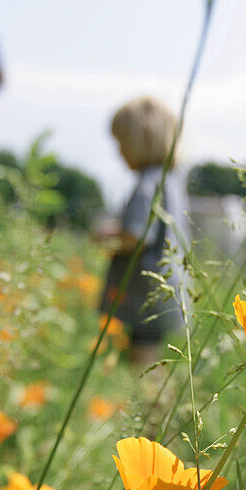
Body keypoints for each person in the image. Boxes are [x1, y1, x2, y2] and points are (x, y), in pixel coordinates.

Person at [96, 96, 191, 368]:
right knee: (152, 356)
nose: (119, 152)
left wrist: (107, 235)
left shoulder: (147, 184)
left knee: (143, 362)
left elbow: (136, 236)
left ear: (141, 141)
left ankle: (154, 408)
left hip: (146, 294)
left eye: (121, 144)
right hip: (168, 289)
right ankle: (158, 405)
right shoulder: (171, 181)